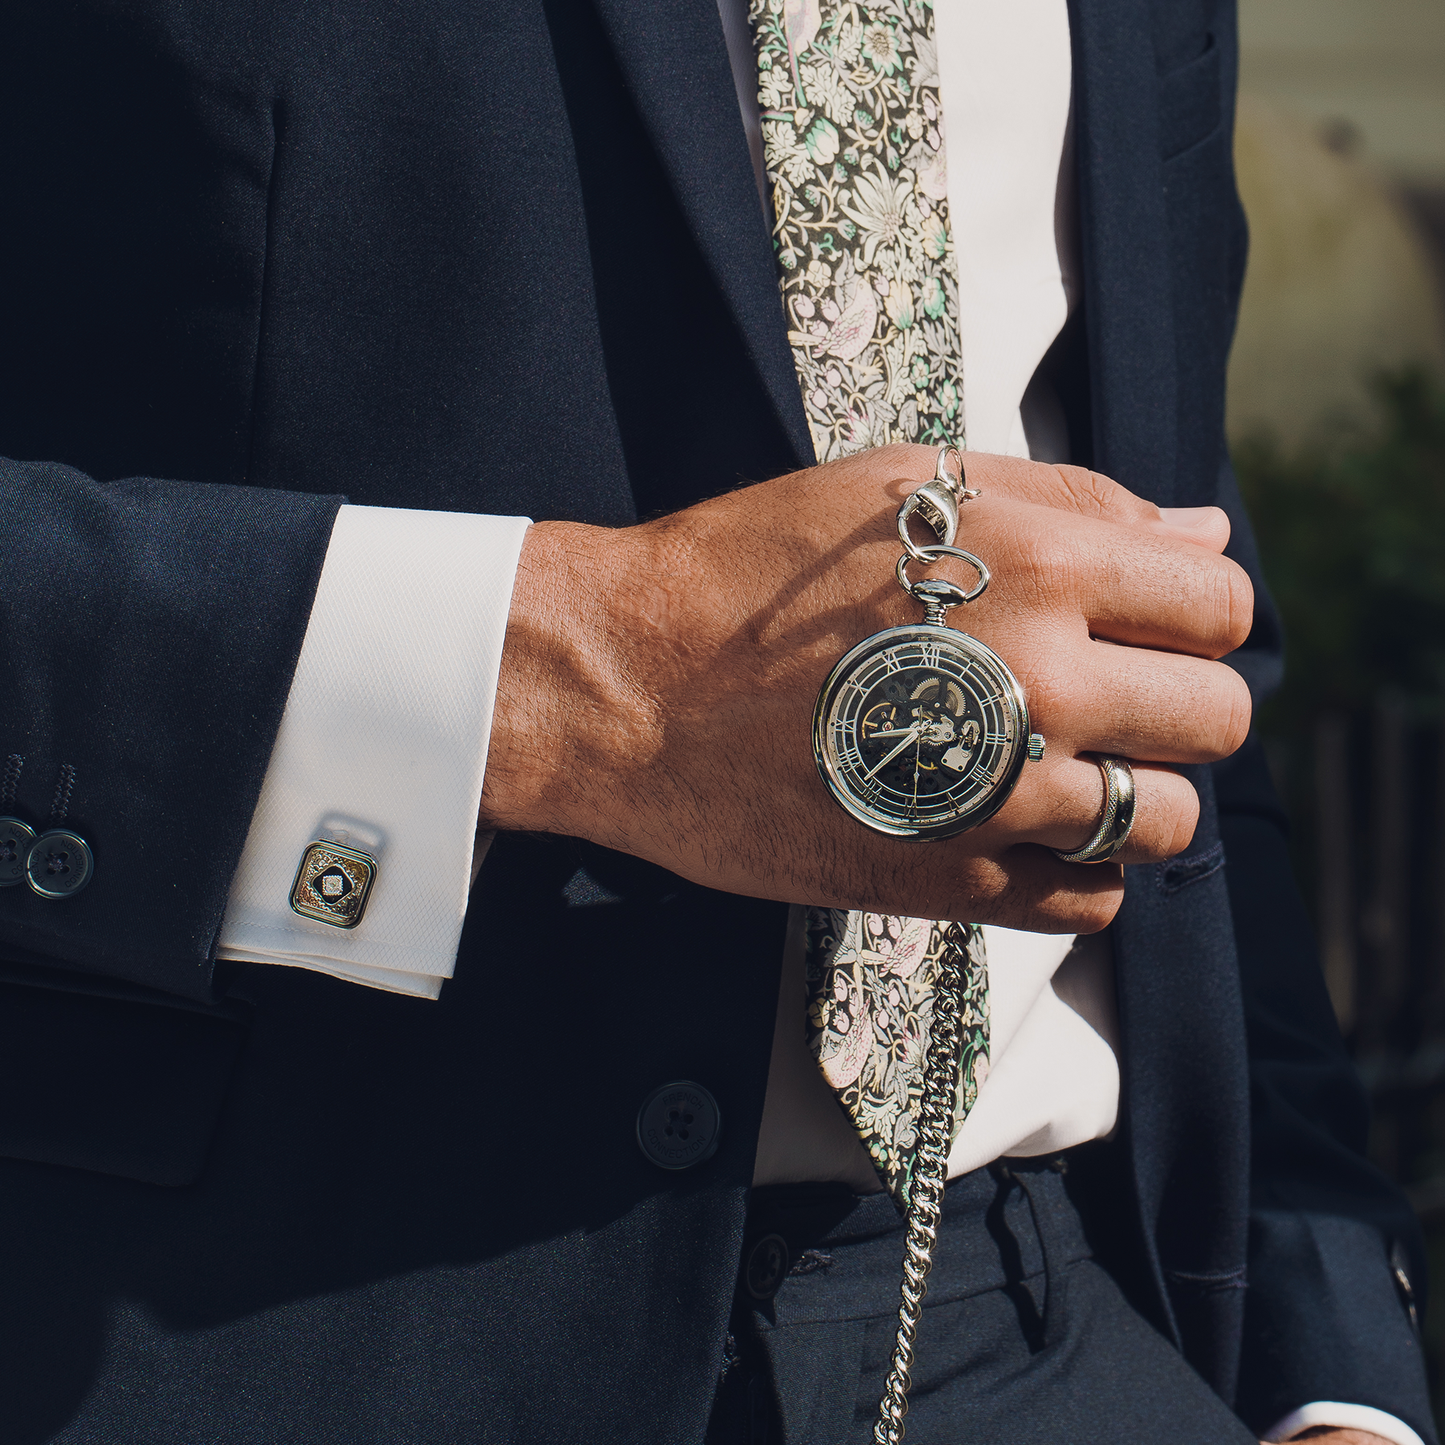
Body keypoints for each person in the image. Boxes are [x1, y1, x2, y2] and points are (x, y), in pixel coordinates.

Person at [0, 0, 1432, 1441]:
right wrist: (570, 684)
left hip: (1032, 1317)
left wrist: (1337, 1371)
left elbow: (1169, 636)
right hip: (222, 1308)